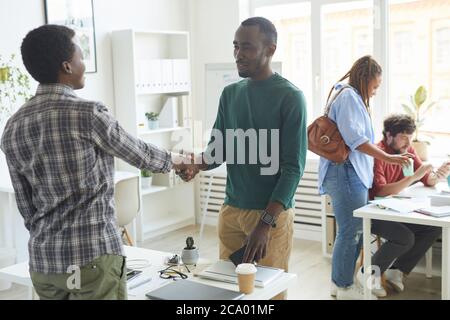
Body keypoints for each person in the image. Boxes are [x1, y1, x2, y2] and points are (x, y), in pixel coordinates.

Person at [0, 25, 193, 300]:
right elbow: (138, 153)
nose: (84, 63)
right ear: (67, 66)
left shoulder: (13, 126)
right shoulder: (87, 114)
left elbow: (26, 207)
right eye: (81, 56)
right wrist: (179, 161)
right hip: (92, 257)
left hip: (45, 263)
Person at [180, 17, 307, 300]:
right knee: (228, 293)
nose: (238, 54)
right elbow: (217, 151)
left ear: (270, 49)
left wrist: (265, 224)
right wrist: (195, 165)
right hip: (231, 211)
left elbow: (293, 169)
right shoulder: (230, 94)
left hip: (270, 217)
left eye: (247, 47)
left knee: (268, 294)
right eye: (236, 46)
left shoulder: (291, 97)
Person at [318, 55, 412, 300]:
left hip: (348, 173)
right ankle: (344, 286)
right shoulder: (349, 96)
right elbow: (356, 140)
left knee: (353, 231)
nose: (375, 91)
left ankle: (339, 284)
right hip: (346, 172)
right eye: (375, 85)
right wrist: (388, 158)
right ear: (365, 78)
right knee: (351, 232)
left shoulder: (349, 96)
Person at [361, 114, 448, 294]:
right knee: (404, 238)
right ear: (389, 135)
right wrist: (413, 177)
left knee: (431, 228)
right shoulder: (378, 153)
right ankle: (368, 274)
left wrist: (438, 175)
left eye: (410, 137)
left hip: (397, 210)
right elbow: (381, 191)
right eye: (403, 137)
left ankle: (397, 271)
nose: (408, 143)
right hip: (374, 211)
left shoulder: (407, 150)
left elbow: (426, 179)